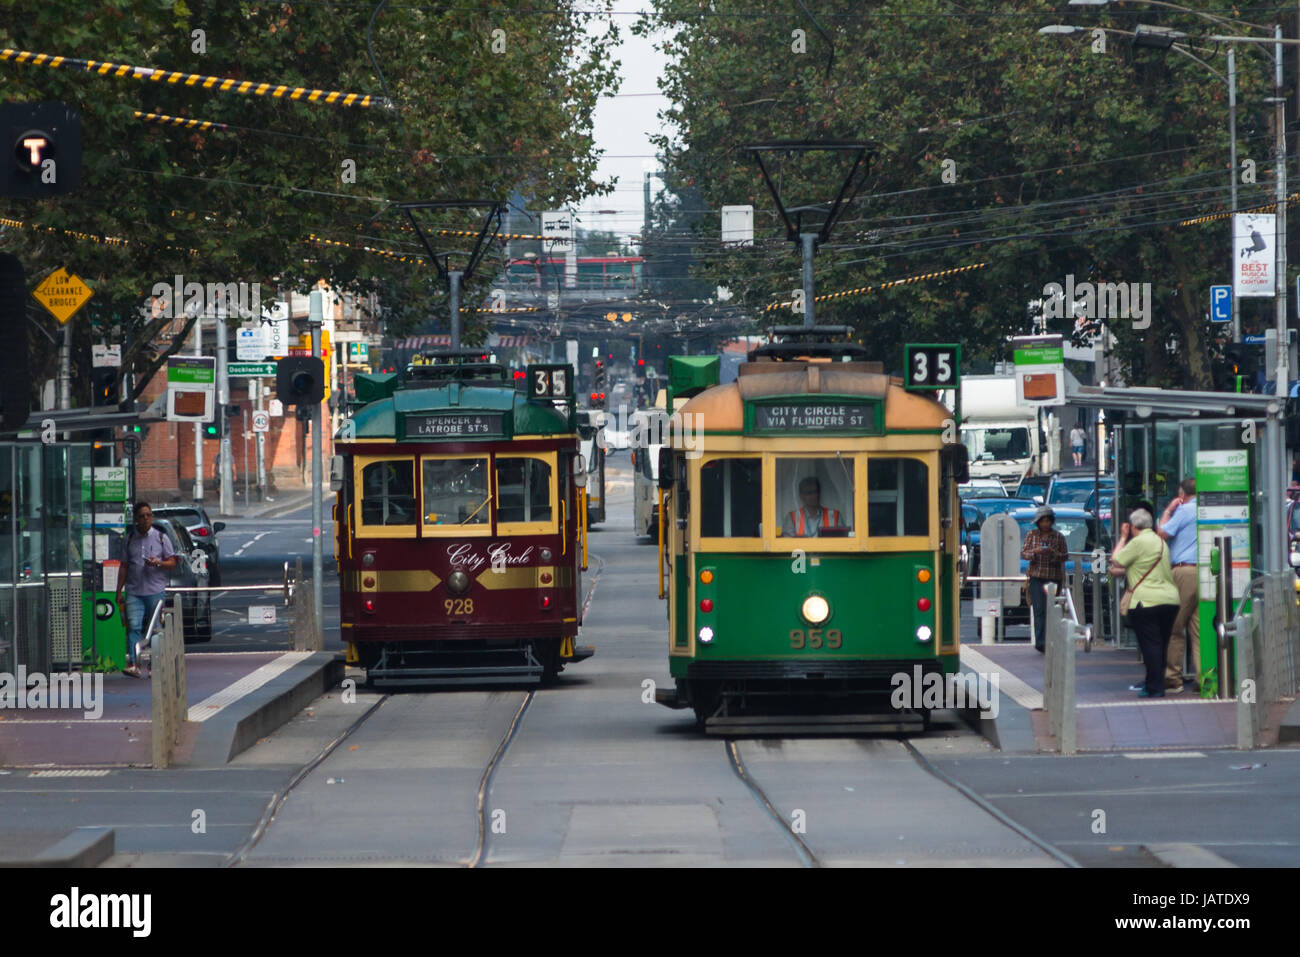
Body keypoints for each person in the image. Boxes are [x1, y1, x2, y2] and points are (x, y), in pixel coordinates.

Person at [1111, 508, 1180, 698]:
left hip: (1146, 600)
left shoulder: (1139, 542)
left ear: (1133, 526)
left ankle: (1155, 687)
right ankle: (1153, 684)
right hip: (1170, 599)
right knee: (1161, 644)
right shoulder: (1160, 542)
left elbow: (1116, 560)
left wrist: (1123, 537)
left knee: (1150, 645)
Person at [115, 501, 178, 677]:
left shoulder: (160, 537)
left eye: (148, 515)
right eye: (142, 516)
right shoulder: (129, 539)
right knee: (134, 627)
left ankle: (153, 665)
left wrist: (159, 563)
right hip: (134, 591)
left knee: (155, 628)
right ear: (136, 519)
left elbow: (172, 561)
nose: (145, 519)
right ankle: (134, 664)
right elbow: (124, 566)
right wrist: (119, 590)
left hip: (155, 590)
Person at [1158, 478, 1199, 693]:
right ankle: (1204, 677)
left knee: (1175, 626)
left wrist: (1169, 509)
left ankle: (1172, 677)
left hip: (1184, 571)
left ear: (1182, 494)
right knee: (1198, 628)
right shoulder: (1205, 509)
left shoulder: (1184, 511)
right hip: (1207, 571)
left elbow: (1161, 534)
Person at [1021, 505, 1068, 653]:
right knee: (1039, 609)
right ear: (1038, 522)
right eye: (1042, 521)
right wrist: (1035, 552)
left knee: (1051, 610)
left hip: (1053, 578)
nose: (1045, 524)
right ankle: (1040, 641)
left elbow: (1064, 556)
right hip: (1036, 577)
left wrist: (1053, 553)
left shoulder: (1059, 537)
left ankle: (1051, 639)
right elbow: (1024, 553)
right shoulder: (1031, 535)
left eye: (1048, 521)